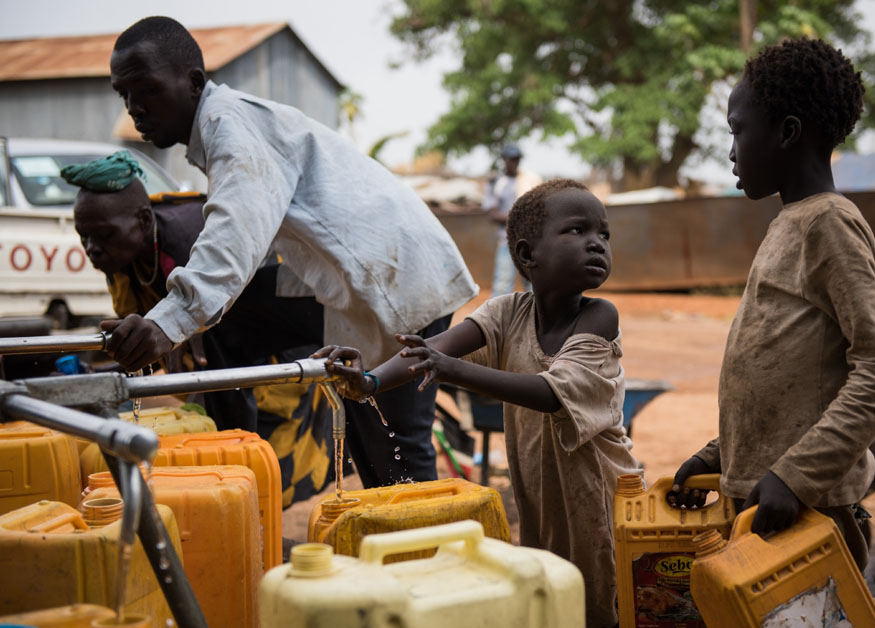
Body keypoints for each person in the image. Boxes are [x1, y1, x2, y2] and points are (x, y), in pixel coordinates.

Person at [103, 16, 478, 488]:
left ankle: (430, 548)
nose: (135, 108)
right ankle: (237, 448)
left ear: (193, 81)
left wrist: (166, 323)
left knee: (397, 446)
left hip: (396, 283)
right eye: (124, 94)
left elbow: (234, 236)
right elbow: (253, 242)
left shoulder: (230, 127)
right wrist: (183, 323)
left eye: (147, 90)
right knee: (368, 433)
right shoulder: (230, 126)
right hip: (369, 281)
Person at [318, 178, 642, 628]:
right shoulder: (506, 313)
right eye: (577, 231)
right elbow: (430, 349)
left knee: (603, 609)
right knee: (554, 599)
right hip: (541, 492)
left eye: (603, 234)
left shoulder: (598, 316)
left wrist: (450, 368)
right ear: (528, 255)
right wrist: (368, 382)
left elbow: (551, 393)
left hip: (599, 491)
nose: (596, 244)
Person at [667, 38, 875, 571]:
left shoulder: (829, 224)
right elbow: (787, 376)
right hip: (766, 499)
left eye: (737, 131)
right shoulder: (789, 224)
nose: (730, 151)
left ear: (787, 132)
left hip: (810, 511)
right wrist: (719, 453)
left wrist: (795, 477)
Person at [63, 151, 342, 506]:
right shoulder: (121, 256)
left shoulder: (191, 247)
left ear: (144, 219)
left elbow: (204, 348)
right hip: (226, 351)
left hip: (271, 340)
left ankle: (252, 518)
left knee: (255, 456)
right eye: (83, 236)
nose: (92, 248)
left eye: (103, 235)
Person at [482, 144, 541, 295]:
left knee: (534, 283)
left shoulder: (530, 179)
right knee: (502, 284)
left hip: (530, 241)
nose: (515, 163)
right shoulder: (495, 182)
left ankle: (536, 317)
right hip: (507, 241)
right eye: (512, 159)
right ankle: (499, 318)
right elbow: (493, 214)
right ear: (504, 160)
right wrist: (520, 218)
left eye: (517, 159)